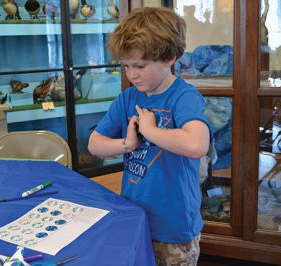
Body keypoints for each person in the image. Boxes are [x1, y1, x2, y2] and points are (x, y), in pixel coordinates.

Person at [88, 7, 211, 265]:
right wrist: (126, 143)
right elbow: (94, 144)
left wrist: (150, 131)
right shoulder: (127, 97)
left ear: (170, 57)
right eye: (125, 66)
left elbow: (197, 144)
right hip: (135, 219)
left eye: (140, 66)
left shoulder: (184, 97)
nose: (132, 74)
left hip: (174, 227)